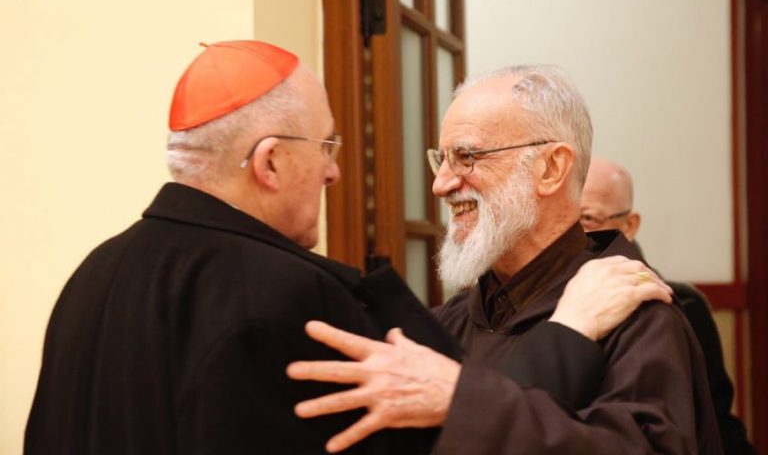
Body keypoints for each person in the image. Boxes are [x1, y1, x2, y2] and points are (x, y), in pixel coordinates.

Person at [24, 43, 668, 455]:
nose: (336, 174)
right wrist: (569, 336)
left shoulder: (89, 279)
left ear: (553, 168)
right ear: (270, 162)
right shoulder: (288, 295)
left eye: (467, 157)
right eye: (326, 148)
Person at [288, 65, 723, 454]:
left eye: (468, 157)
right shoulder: (452, 319)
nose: (440, 185)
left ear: (551, 168)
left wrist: (460, 400)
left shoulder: (635, 314)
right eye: (442, 159)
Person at [581, 156, 756, 455]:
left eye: (587, 219)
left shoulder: (679, 306)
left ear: (630, 224)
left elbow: (716, 423)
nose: (574, 234)